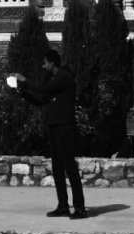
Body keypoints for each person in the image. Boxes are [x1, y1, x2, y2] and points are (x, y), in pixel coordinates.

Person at [8, 45, 86, 221]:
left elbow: (42, 89)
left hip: (64, 128)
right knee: (58, 169)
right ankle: (63, 205)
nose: (43, 66)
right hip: (54, 128)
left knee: (70, 169)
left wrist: (24, 80)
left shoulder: (63, 78)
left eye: (44, 63)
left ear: (52, 63)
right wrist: (21, 91)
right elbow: (41, 100)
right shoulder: (54, 80)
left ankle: (80, 207)